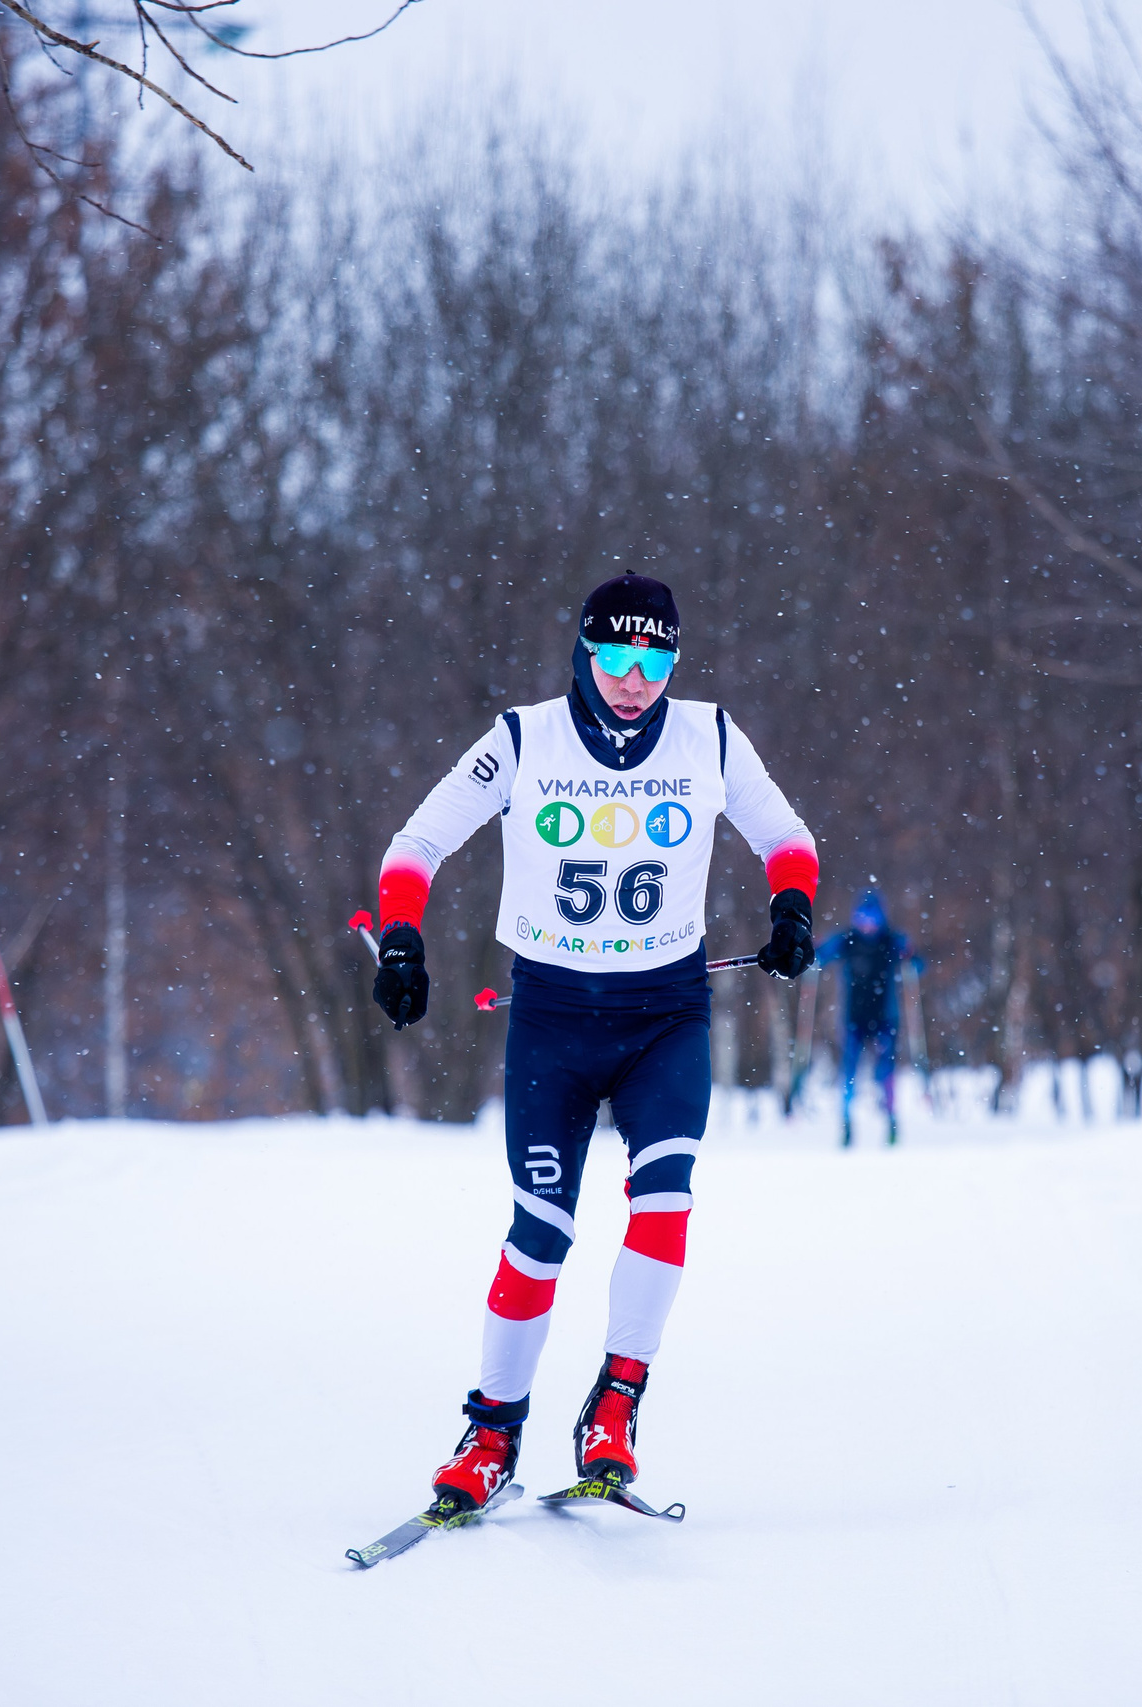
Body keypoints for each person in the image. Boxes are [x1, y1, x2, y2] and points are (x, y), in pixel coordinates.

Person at [373, 572, 818, 1513]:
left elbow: (787, 834)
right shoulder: (524, 739)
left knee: (664, 1203)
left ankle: (615, 1405)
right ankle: (491, 1432)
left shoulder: (712, 738)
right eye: (615, 656)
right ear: (584, 651)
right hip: (552, 1022)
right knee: (541, 1235)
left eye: (655, 658)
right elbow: (415, 844)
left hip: (666, 1017)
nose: (634, 677)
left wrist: (792, 906)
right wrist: (403, 937)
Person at [819, 889, 915, 1147]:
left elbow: (917, 963)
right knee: (849, 1072)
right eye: (863, 919)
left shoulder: (890, 941)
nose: (867, 926)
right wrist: (814, 952)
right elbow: (821, 956)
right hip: (854, 1018)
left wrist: (910, 955)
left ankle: (892, 1121)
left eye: (872, 920)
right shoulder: (848, 940)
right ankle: (847, 1122)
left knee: (886, 1072)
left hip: (885, 1017)